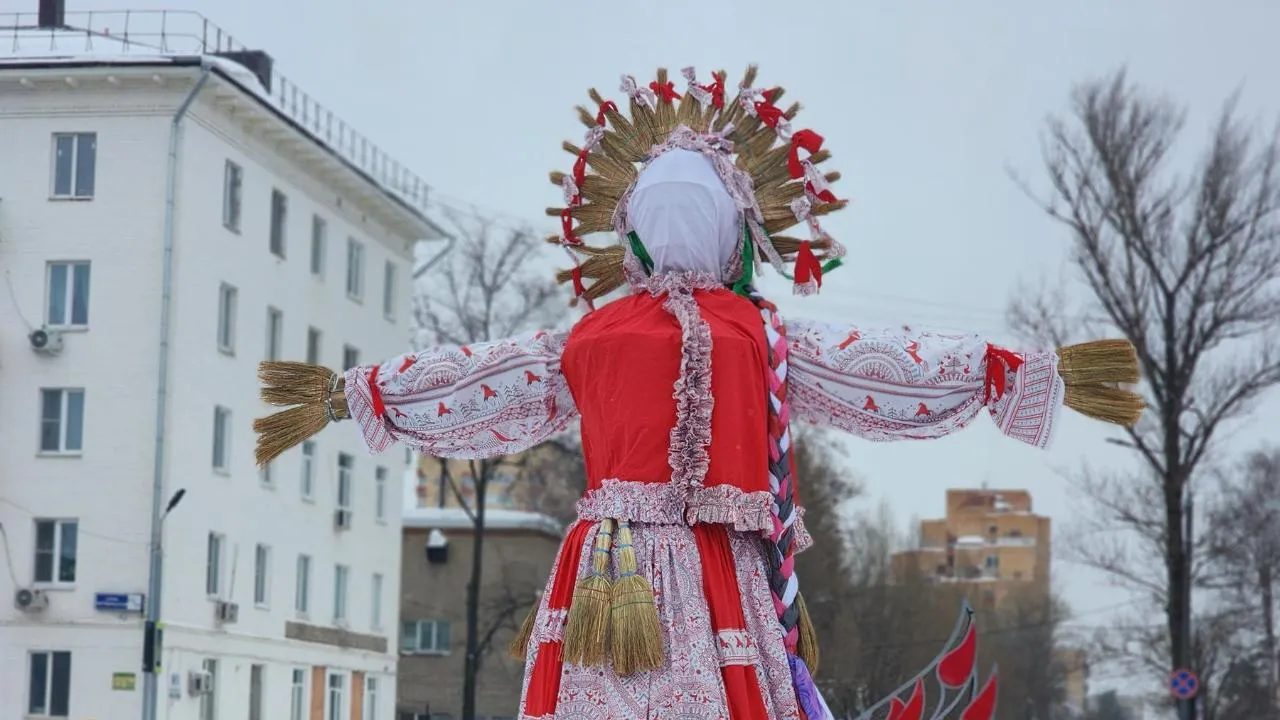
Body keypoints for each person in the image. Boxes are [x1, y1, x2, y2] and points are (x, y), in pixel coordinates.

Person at [254, 66, 1144, 720]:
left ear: (629, 229)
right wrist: (1013, 372)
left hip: (607, 574)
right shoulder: (758, 336)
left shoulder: (591, 339)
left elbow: (477, 382)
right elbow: (884, 369)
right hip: (720, 572)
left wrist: (348, 395)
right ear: (737, 228)